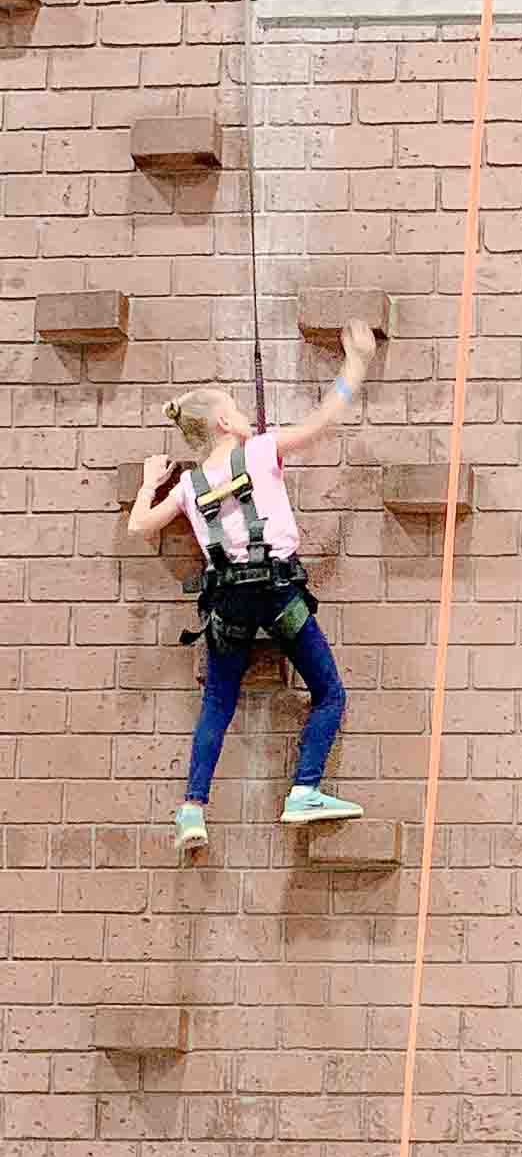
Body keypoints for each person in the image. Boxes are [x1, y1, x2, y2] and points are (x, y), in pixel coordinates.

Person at [129, 321, 379, 857]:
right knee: (329, 691)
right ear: (224, 421)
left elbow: (139, 526)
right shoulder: (261, 452)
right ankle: (305, 789)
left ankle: (193, 809)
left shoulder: (191, 487)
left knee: (218, 700)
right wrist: (354, 366)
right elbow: (320, 423)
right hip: (278, 592)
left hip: (228, 602)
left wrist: (152, 480)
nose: (246, 417)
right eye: (239, 411)